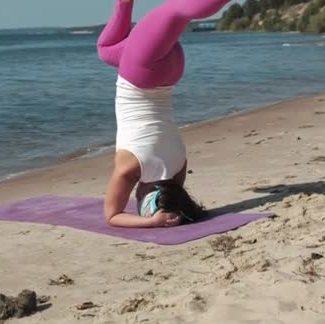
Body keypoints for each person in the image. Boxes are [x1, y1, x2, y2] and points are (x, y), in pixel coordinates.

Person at [97, 0, 229, 228]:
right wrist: (152, 222)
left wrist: (168, 212)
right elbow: (112, 216)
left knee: (106, 50)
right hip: (140, 72)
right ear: (141, 195)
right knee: (177, 9)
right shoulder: (130, 169)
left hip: (171, 71)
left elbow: (172, 195)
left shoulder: (178, 168)